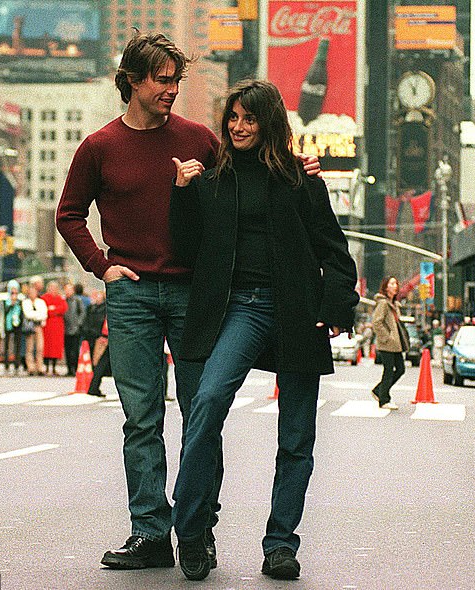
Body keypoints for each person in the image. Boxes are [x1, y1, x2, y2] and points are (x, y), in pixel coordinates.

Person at [56, 32, 320, 571]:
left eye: (177, 79)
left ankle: (197, 528)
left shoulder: (199, 137)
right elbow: (69, 214)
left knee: (202, 413)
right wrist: (103, 265)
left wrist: (298, 169)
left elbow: (253, 172)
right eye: (162, 79)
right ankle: (150, 531)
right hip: (129, 293)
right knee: (142, 417)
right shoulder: (99, 146)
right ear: (132, 80)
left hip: (196, 294)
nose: (173, 89)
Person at [168, 79, 358, 581]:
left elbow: (335, 253)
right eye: (232, 118)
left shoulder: (302, 182)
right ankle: (190, 530)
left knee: (296, 438)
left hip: (296, 313)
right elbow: (187, 248)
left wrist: (335, 305)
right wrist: (183, 193)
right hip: (241, 311)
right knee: (207, 403)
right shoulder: (211, 181)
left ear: (268, 122)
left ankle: (280, 544)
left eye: (249, 118)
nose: (238, 127)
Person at [371, 276, 409, 410]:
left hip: (395, 344)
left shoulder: (393, 304)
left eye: (396, 284)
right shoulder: (383, 303)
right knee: (388, 370)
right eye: (392, 283)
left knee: (400, 369)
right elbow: (376, 322)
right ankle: (384, 399)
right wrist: (387, 338)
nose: (395, 286)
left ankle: (378, 390)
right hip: (387, 344)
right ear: (386, 287)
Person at [41, 281, 68, 375]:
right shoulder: (44, 298)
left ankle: (54, 367)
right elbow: (44, 310)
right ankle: (47, 367)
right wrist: (55, 310)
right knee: (46, 346)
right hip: (47, 326)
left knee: (56, 347)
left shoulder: (60, 298)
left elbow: (63, 308)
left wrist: (53, 309)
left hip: (57, 327)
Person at [22, 285, 48, 376]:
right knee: (29, 348)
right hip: (30, 327)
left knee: (40, 348)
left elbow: (44, 314)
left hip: (38, 326)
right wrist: (37, 315)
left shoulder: (41, 302)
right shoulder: (26, 302)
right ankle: (31, 367)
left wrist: (35, 316)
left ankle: (40, 367)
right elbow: (27, 314)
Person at [64, 283, 86, 376]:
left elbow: (82, 313)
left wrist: (78, 324)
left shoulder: (77, 300)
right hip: (65, 329)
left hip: (75, 329)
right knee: (67, 350)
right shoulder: (63, 300)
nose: (67, 292)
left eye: (69, 290)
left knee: (75, 349)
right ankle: (69, 369)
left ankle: (76, 368)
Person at [4, 280, 23, 375]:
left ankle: (17, 364)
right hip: (8, 325)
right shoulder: (6, 301)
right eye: (12, 292)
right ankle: (6, 364)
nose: (14, 294)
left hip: (18, 326)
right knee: (7, 345)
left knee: (17, 345)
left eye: (16, 292)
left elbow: (22, 314)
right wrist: (11, 304)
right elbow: (4, 313)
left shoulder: (20, 302)